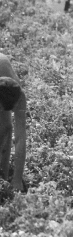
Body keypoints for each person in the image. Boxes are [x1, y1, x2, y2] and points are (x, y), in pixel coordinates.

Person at [0, 54, 27, 192]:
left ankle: (3, 177)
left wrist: (17, 179)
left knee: (6, 127)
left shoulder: (19, 95)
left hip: (3, 70)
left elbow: (20, 137)